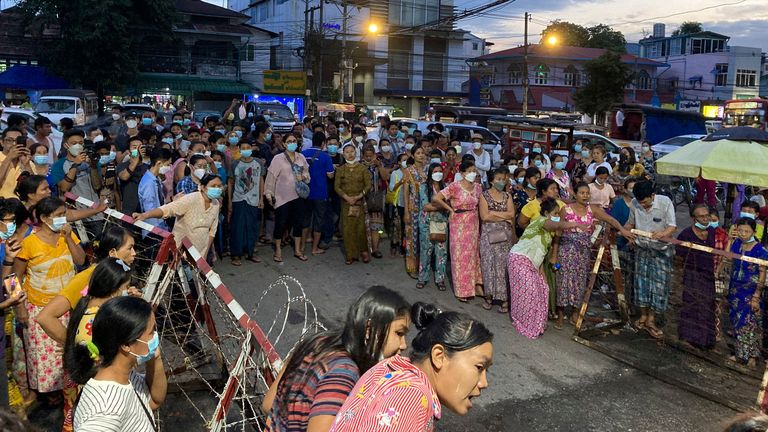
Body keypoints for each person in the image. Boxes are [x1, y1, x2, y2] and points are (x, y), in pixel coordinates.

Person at [262, 286, 411, 432]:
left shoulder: (319, 341)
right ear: (369, 330)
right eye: (399, 333)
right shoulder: (344, 373)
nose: (404, 345)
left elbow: (268, 404)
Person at [329, 303, 493, 432]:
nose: (484, 383)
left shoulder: (389, 368)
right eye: (479, 367)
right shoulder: (410, 399)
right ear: (439, 356)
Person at [12, 197, 85, 415]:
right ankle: (51, 395)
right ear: (44, 218)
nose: (63, 218)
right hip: (40, 310)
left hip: (68, 306)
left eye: (64, 213)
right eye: (58, 215)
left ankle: (70, 392)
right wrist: (20, 308)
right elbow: (14, 277)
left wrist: (69, 239)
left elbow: (80, 261)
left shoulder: (68, 235)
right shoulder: (29, 243)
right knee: (46, 358)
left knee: (69, 351)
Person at [69, 296, 167, 431]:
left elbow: (153, 401)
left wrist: (155, 358)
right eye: (151, 332)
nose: (155, 335)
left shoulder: (125, 374)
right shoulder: (105, 411)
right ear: (126, 345)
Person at [37, 226, 136, 345]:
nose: (134, 253)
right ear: (112, 253)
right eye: (130, 248)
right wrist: (73, 347)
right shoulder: (86, 277)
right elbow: (45, 317)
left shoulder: (120, 276)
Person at [556, 182, 634, 328]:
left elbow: (610, 219)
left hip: (583, 253)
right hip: (566, 251)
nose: (585, 196)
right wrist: (554, 254)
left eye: (587, 193)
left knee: (580, 283)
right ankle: (560, 315)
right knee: (563, 282)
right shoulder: (565, 210)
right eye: (582, 193)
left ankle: (574, 313)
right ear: (575, 194)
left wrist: (622, 230)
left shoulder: (593, 209)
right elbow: (558, 231)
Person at [508, 198, 585, 339]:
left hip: (533, 264)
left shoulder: (548, 234)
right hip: (519, 260)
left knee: (543, 290)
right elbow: (554, 224)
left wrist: (542, 276)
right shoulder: (540, 221)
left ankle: (535, 324)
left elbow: (541, 257)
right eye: (555, 213)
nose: (557, 215)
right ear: (546, 213)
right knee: (529, 292)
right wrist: (574, 223)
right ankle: (525, 324)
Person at [625, 180, 677, 340]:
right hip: (642, 249)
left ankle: (652, 318)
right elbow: (630, 223)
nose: (644, 206)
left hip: (661, 251)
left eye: (646, 202)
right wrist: (628, 234)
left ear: (653, 196)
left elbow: (672, 226)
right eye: (641, 203)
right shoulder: (634, 203)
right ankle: (643, 315)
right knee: (641, 283)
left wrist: (663, 233)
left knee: (659, 285)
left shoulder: (665, 202)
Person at [134, 173, 222, 258]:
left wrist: (205, 253)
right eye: (213, 186)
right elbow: (167, 209)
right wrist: (145, 215)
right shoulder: (190, 199)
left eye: (219, 186)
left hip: (200, 253)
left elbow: (212, 231)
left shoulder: (216, 204)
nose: (217, 189)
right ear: (203, 187)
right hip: (180, 253)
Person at [433, 160, 483, 302]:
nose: (473, 173)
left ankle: (475, 285)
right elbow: (437, 198)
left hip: (473, 222)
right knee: (460, 256)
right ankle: (462, 290)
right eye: (469, 171)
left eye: (474, 170)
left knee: (473, 254)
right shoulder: (455, 186)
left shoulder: (478, 187)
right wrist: (450, 210)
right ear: (462, 173)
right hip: (458, 222)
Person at [720, 217, 768, 366]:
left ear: (754, 232)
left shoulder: (760, 251)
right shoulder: (736, 245)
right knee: (737, 322)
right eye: (740, 230)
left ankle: (752, 356)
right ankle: (741, 354)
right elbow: (726, 258)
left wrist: (756, 295)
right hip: (735, 290)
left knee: (751, 323)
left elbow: (762, 274)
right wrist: (729, 240)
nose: (743, 233)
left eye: (746, 231)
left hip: (751, 292)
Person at [676, 203, 717, 350]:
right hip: (692, 274)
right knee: (692, 304)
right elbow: (679, 257)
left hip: (708, 273)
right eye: (701, 216)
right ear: (694, 218)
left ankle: (706, 339)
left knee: (707, 305)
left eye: (707, 216)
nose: (705, 219)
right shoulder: (686, 234)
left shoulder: (712, 231)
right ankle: (689, 337)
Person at [265, 134, 310, 262]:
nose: (292, 143)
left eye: (294, 141)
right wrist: (269, 194)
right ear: (284, 144)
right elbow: (271, 178)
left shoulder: (301, 157)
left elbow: (307, 173)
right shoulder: (278, 159)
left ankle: (297, 250)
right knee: (281, 223)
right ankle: (278, 250)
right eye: (289, 141)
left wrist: (304, 177)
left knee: (298, 223)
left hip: (298, 196)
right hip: (282, 197)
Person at [480, 168, 516, 313]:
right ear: (491, 181)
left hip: (505, 237)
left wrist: (493, 213)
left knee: (503, 267)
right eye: (498, 179)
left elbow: (512, 213)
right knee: (488, 265)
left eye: (503, 179)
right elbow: (485, 216)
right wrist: (503, 216)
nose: (502, 181)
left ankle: (504, 299)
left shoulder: (507, 196)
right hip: (488, 236)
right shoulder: (484, 196)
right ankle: (489, 296)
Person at [229, 140, 265, 265]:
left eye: (248, 147)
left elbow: (261, 181)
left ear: (252, 148)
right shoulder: (235, 163)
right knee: (237, 227)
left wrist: (261, 198)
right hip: (238, 199)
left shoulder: (258, 163)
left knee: (252, 226)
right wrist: (229, 201)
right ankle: (236, 254)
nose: (245, 149)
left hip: (254, 199)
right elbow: (230, 182)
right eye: (243, 147)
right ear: (239, 149)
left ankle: (250, 252)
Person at [334, 144, 371, 265]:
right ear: (343, 154)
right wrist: (347, 197)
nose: (350, 154)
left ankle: (364, 252)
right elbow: (337, 187)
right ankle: (350, 254)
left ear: (356, 153)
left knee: (360, 228)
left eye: (352, 151)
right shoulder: (340, 169)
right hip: (346, 203)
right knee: (347, 229)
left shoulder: (362, 168)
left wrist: (358, 196)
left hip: (359, 202)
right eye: (347, 152)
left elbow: (368, 185)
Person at [301, 132, 335, 257]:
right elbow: (330, 175)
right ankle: (315, 248)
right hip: (321, 192)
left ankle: (302, 247)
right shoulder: (326, 157)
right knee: (318, 221)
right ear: (323, 143)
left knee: (305, 220)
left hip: (306, 192)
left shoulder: (303, 154)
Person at [416, 163, 449, 291]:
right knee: (426, 251)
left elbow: (447, 203)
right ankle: (422, 278)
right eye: (435, 171)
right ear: (430, 173)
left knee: (441, 252)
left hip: (441, 223)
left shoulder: (445, 187)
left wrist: (440, 205)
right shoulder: (424, 187)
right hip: (426, 223)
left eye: (440, 171)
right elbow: (426, 206)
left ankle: (440, 279)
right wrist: (443, 205)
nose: (438, 173)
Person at [402, 145, 428, 277]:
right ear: (413, 155)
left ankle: (423, 266)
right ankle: (412, 266)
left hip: (426, 209)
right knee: (412, 238)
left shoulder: (427, 170)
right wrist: (406, 211)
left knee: (424, 238)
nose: (421, 155)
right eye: (418, 153)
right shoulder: (408, 171)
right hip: (413, 208)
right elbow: (405, 193)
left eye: (422, 153)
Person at [138, 148, 173, 232]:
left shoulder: (156, 179)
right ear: (159, 163)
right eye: (168, 164)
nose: (169, 167)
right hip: (153, 228)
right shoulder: (149, 183)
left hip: (161, 225)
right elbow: (150, 209)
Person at [387, 154, 408, 257]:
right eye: (404, 160)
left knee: (406, 226)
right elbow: (392, 188)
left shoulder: (411, 172)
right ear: (399, 162)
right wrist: (400, 182)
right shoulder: (395, 173)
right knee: (396, 225)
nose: (406, 162)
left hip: (408, 203)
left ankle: (404, 247)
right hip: (398, 202)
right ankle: (394, 245)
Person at [0, 127, 29, 198]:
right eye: (9, 140)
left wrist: (27, 165)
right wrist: (8, 158)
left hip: (22, 205)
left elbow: (34, 188)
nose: (14, 144)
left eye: (18, 141)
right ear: (2, 142)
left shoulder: (26, 160)